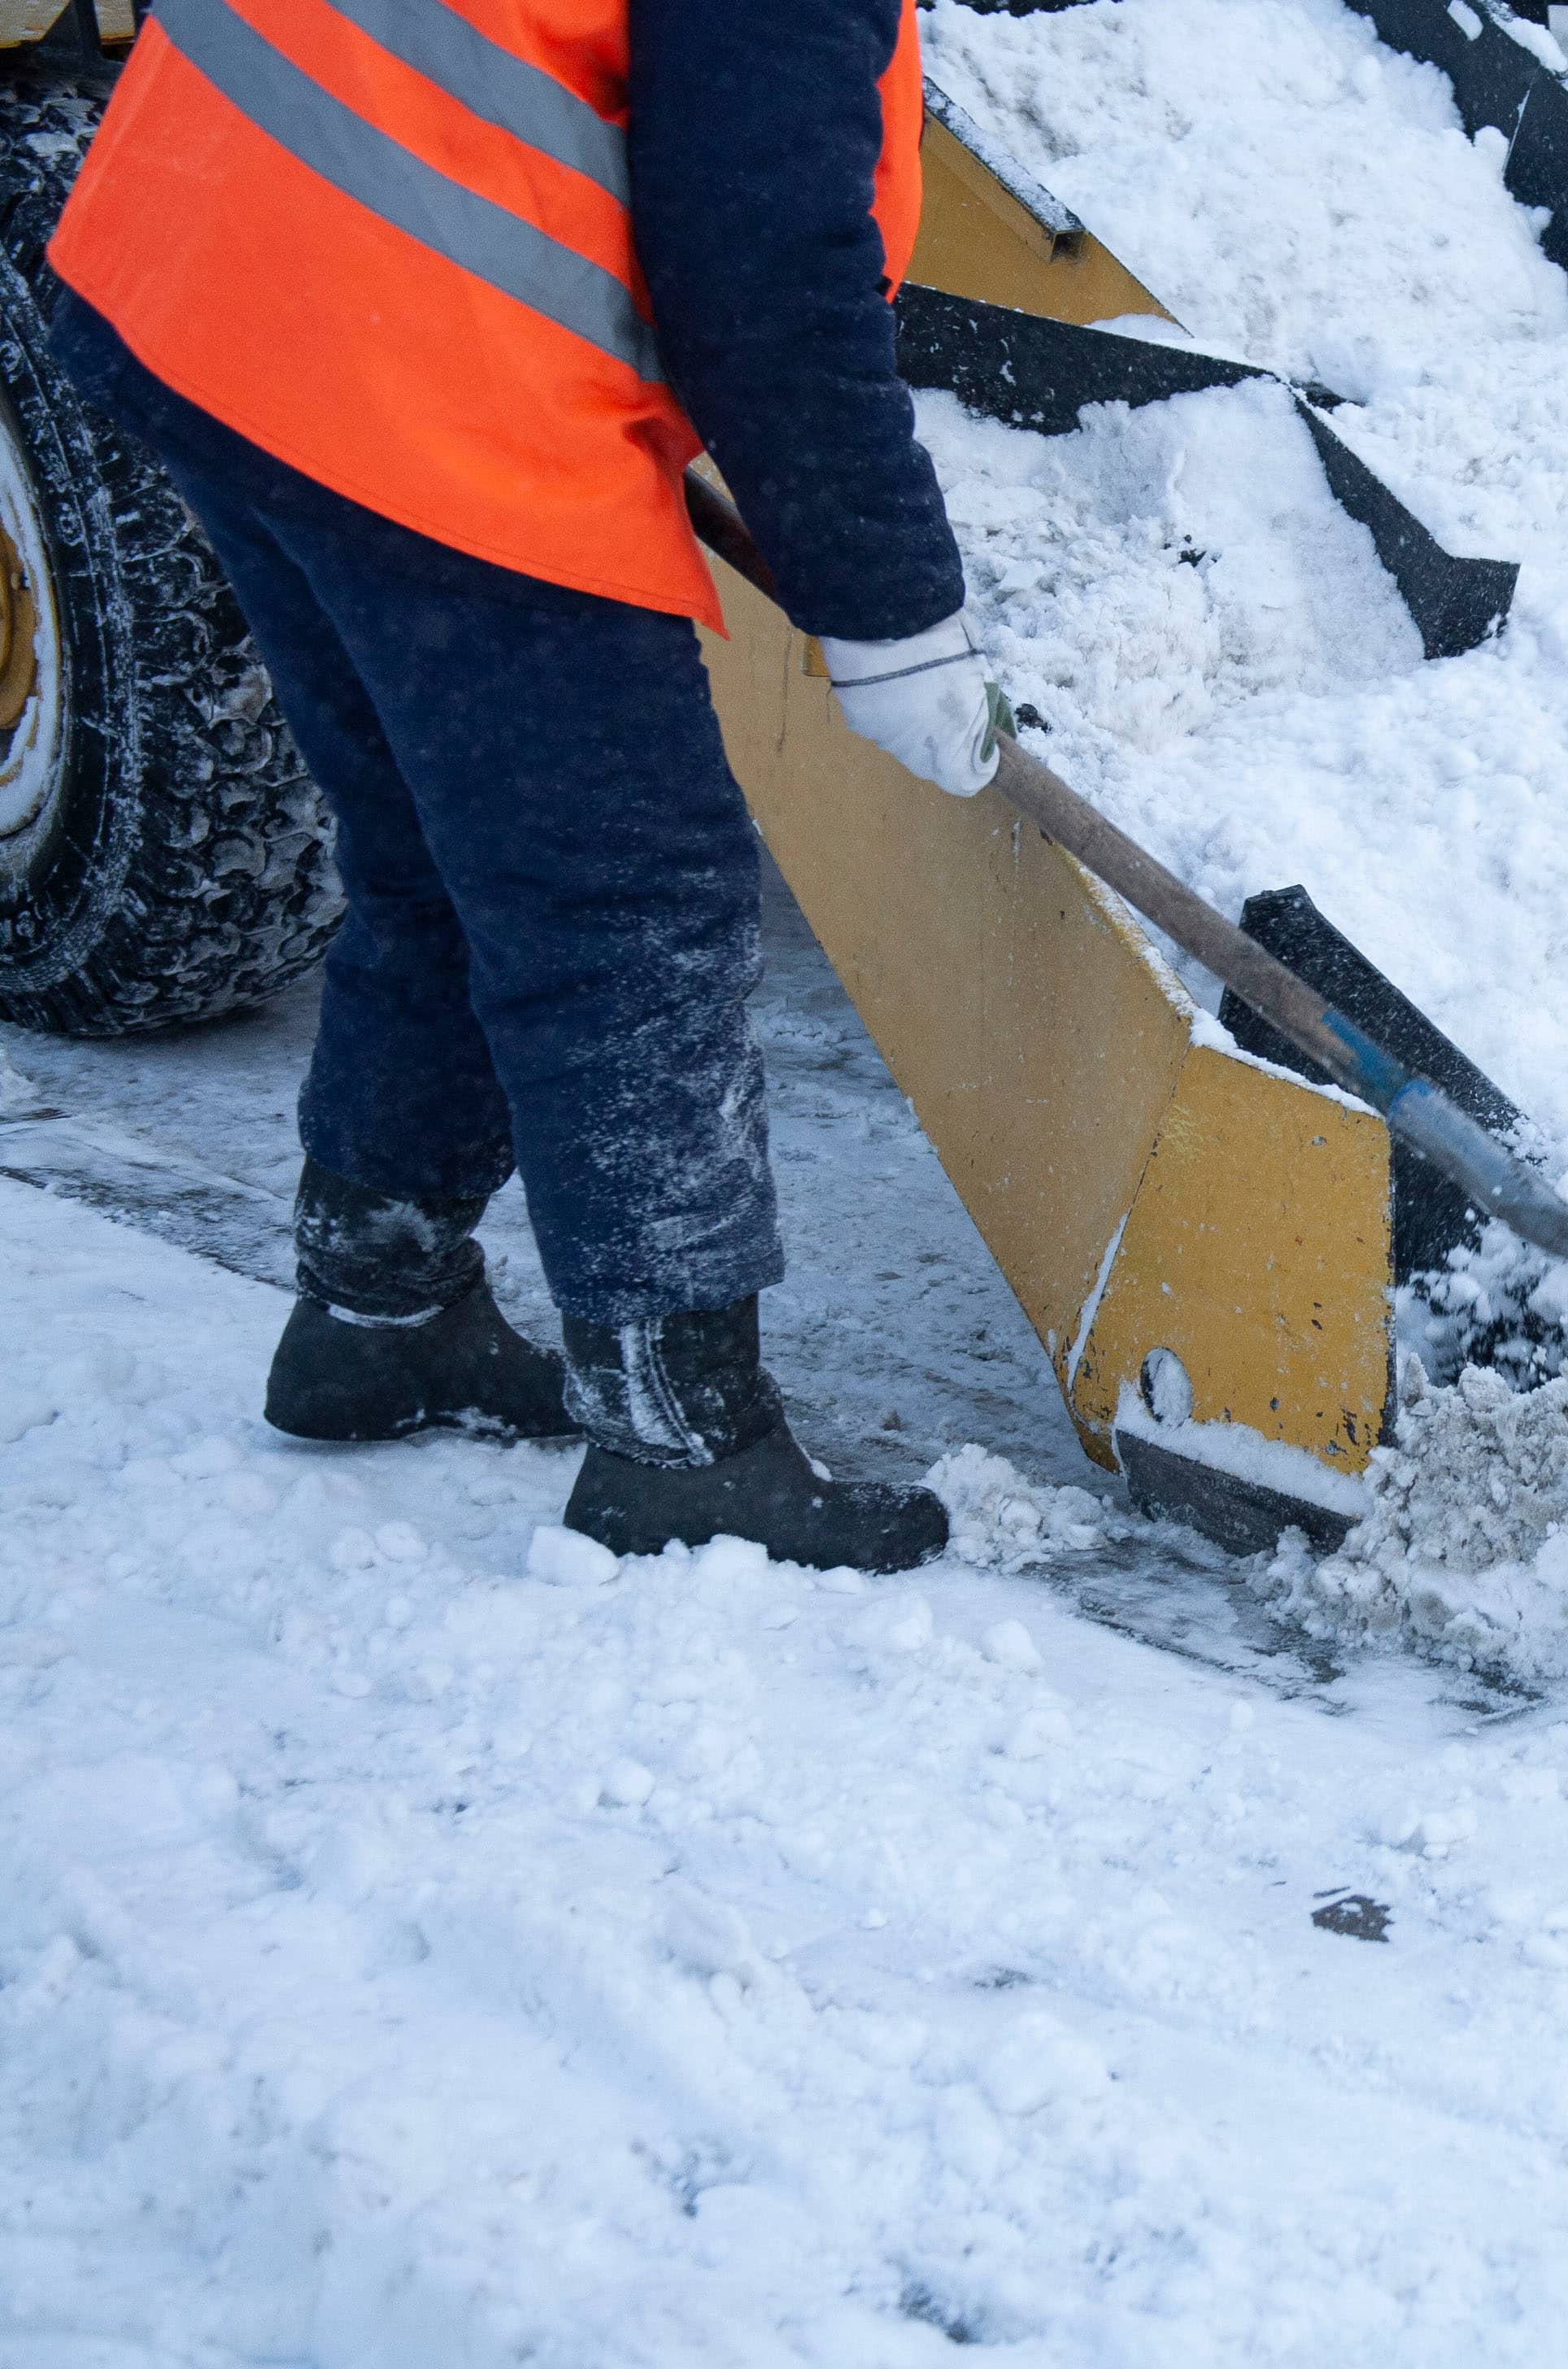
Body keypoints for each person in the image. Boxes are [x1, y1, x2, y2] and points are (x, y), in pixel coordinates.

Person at [44, 0, 1009, 1571]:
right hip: (417, 338)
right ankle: (683, 1444)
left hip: (214, 251)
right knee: (625, 900)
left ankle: (381, 1308)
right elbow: (759, 252)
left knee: (440, 846)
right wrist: (891, 613)